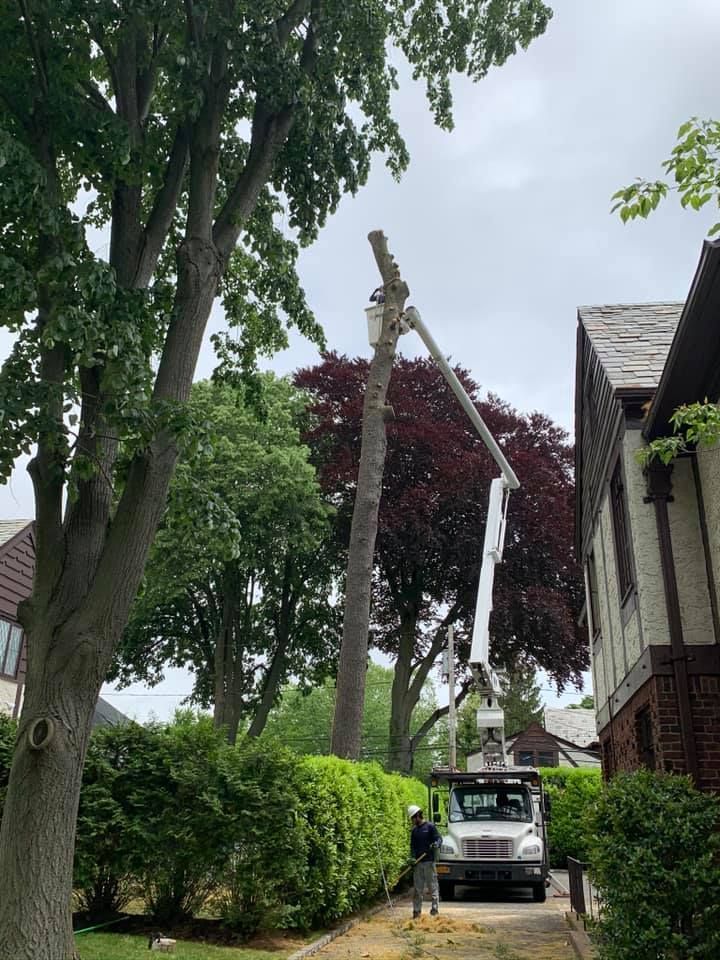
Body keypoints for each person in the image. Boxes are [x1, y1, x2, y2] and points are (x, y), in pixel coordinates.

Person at [408, 804, 441, 918]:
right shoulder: (414, 831)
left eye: (412, 818)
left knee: (432, 886)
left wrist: (436, 844)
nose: (412, 821)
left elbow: (438, 838)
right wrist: (412, 858)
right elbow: (412, 847)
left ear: (417, 816)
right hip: (418, 863)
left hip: (429, 862)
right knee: (417, 889)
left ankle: (434, 909)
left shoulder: (430, 827)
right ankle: (416, 912)